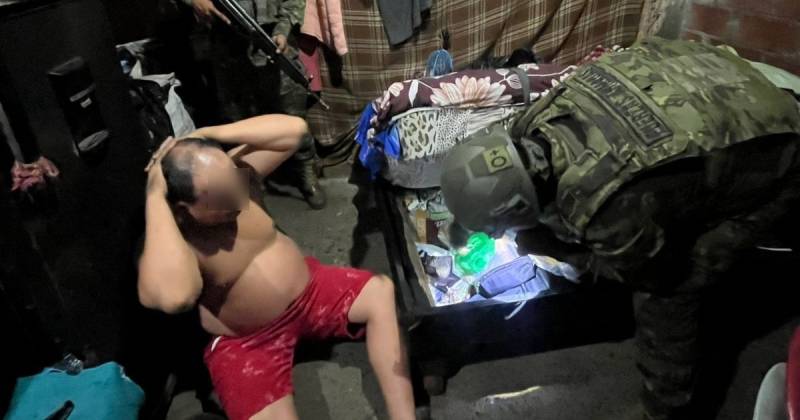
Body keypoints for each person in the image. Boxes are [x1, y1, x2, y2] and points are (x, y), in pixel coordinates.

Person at [439, 37, 800, 420]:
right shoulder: (538, 117)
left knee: (673, 287)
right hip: (725, 81)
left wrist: (555, 247)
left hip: (781, 153)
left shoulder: (610, 204)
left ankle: (667, 408)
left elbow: (637, 271)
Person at [137, 114, 415, 420]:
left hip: (311, 293)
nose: (238, 197)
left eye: (232, 179)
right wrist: (154, 196)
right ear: (182, 209)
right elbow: (175, 297)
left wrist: (204, 134)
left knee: (380, 292)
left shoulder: (237, 179)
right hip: (250, 342)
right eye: (220, 196)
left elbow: (293, 130)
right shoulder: (173, 240)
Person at [185, 0, 327, 209]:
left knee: (292, 111)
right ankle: (247, 183)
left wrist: (283, 29)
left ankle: (306, 171)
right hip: (227, 41)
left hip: (272, 39)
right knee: (238, 120)